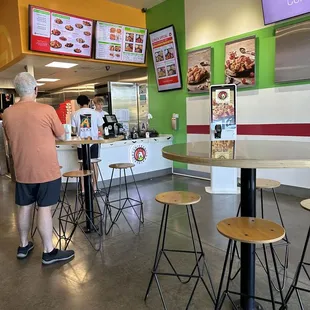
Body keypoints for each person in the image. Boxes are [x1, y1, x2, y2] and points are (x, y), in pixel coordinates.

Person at [2, 72, 74, 265]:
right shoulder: (47, 110)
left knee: (23, 207)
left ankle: (24, 245)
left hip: (22, 170)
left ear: (17, 91)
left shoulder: (7, 114)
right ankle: (49, 251)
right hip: (46, 170)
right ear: (36, 90)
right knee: (44, 208)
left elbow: (10, 140)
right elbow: (61, 135)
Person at [71, 95, 104, 191]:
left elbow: (73, 130)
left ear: (78, 104)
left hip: (81, 143)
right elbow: (101, 130)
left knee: (82, 166)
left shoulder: (74, 114)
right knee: (94, 164)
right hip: (93, 142)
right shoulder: (96, 113)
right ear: (89, 102)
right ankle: (94, 187)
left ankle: (83, 189)